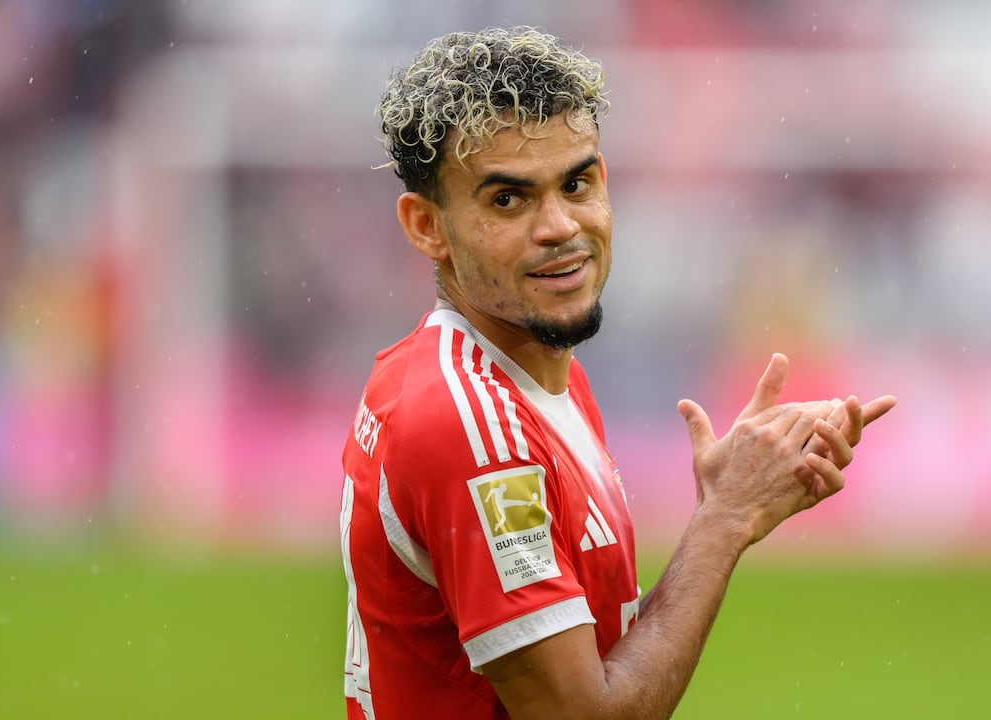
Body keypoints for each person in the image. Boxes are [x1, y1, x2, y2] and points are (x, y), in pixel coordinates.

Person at [339, 26, 896, 719]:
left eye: (576, 183)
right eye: (508, 200)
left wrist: (724, 503)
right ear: (426, 227)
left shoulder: (538, 376)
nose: (561, 227)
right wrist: (724, 521)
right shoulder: (467, 427)